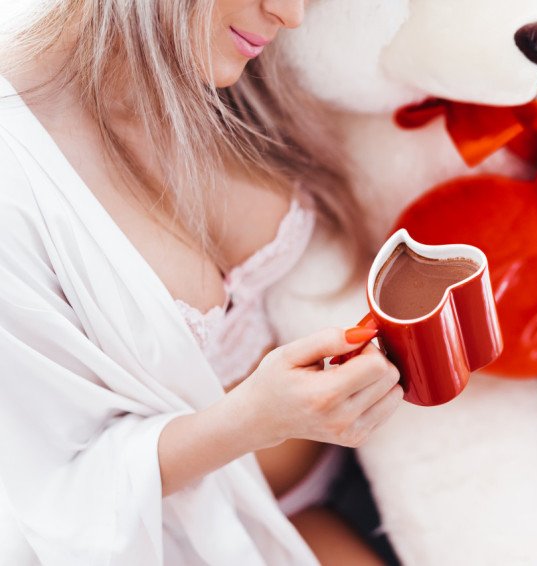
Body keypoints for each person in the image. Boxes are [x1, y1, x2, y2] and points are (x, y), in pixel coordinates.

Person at [0, 1, 403, 564]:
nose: (292, 16)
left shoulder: (230, 62)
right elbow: (56, 493)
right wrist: (255, 419)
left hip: (392, 446)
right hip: (242, 523)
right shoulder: (16, 187)